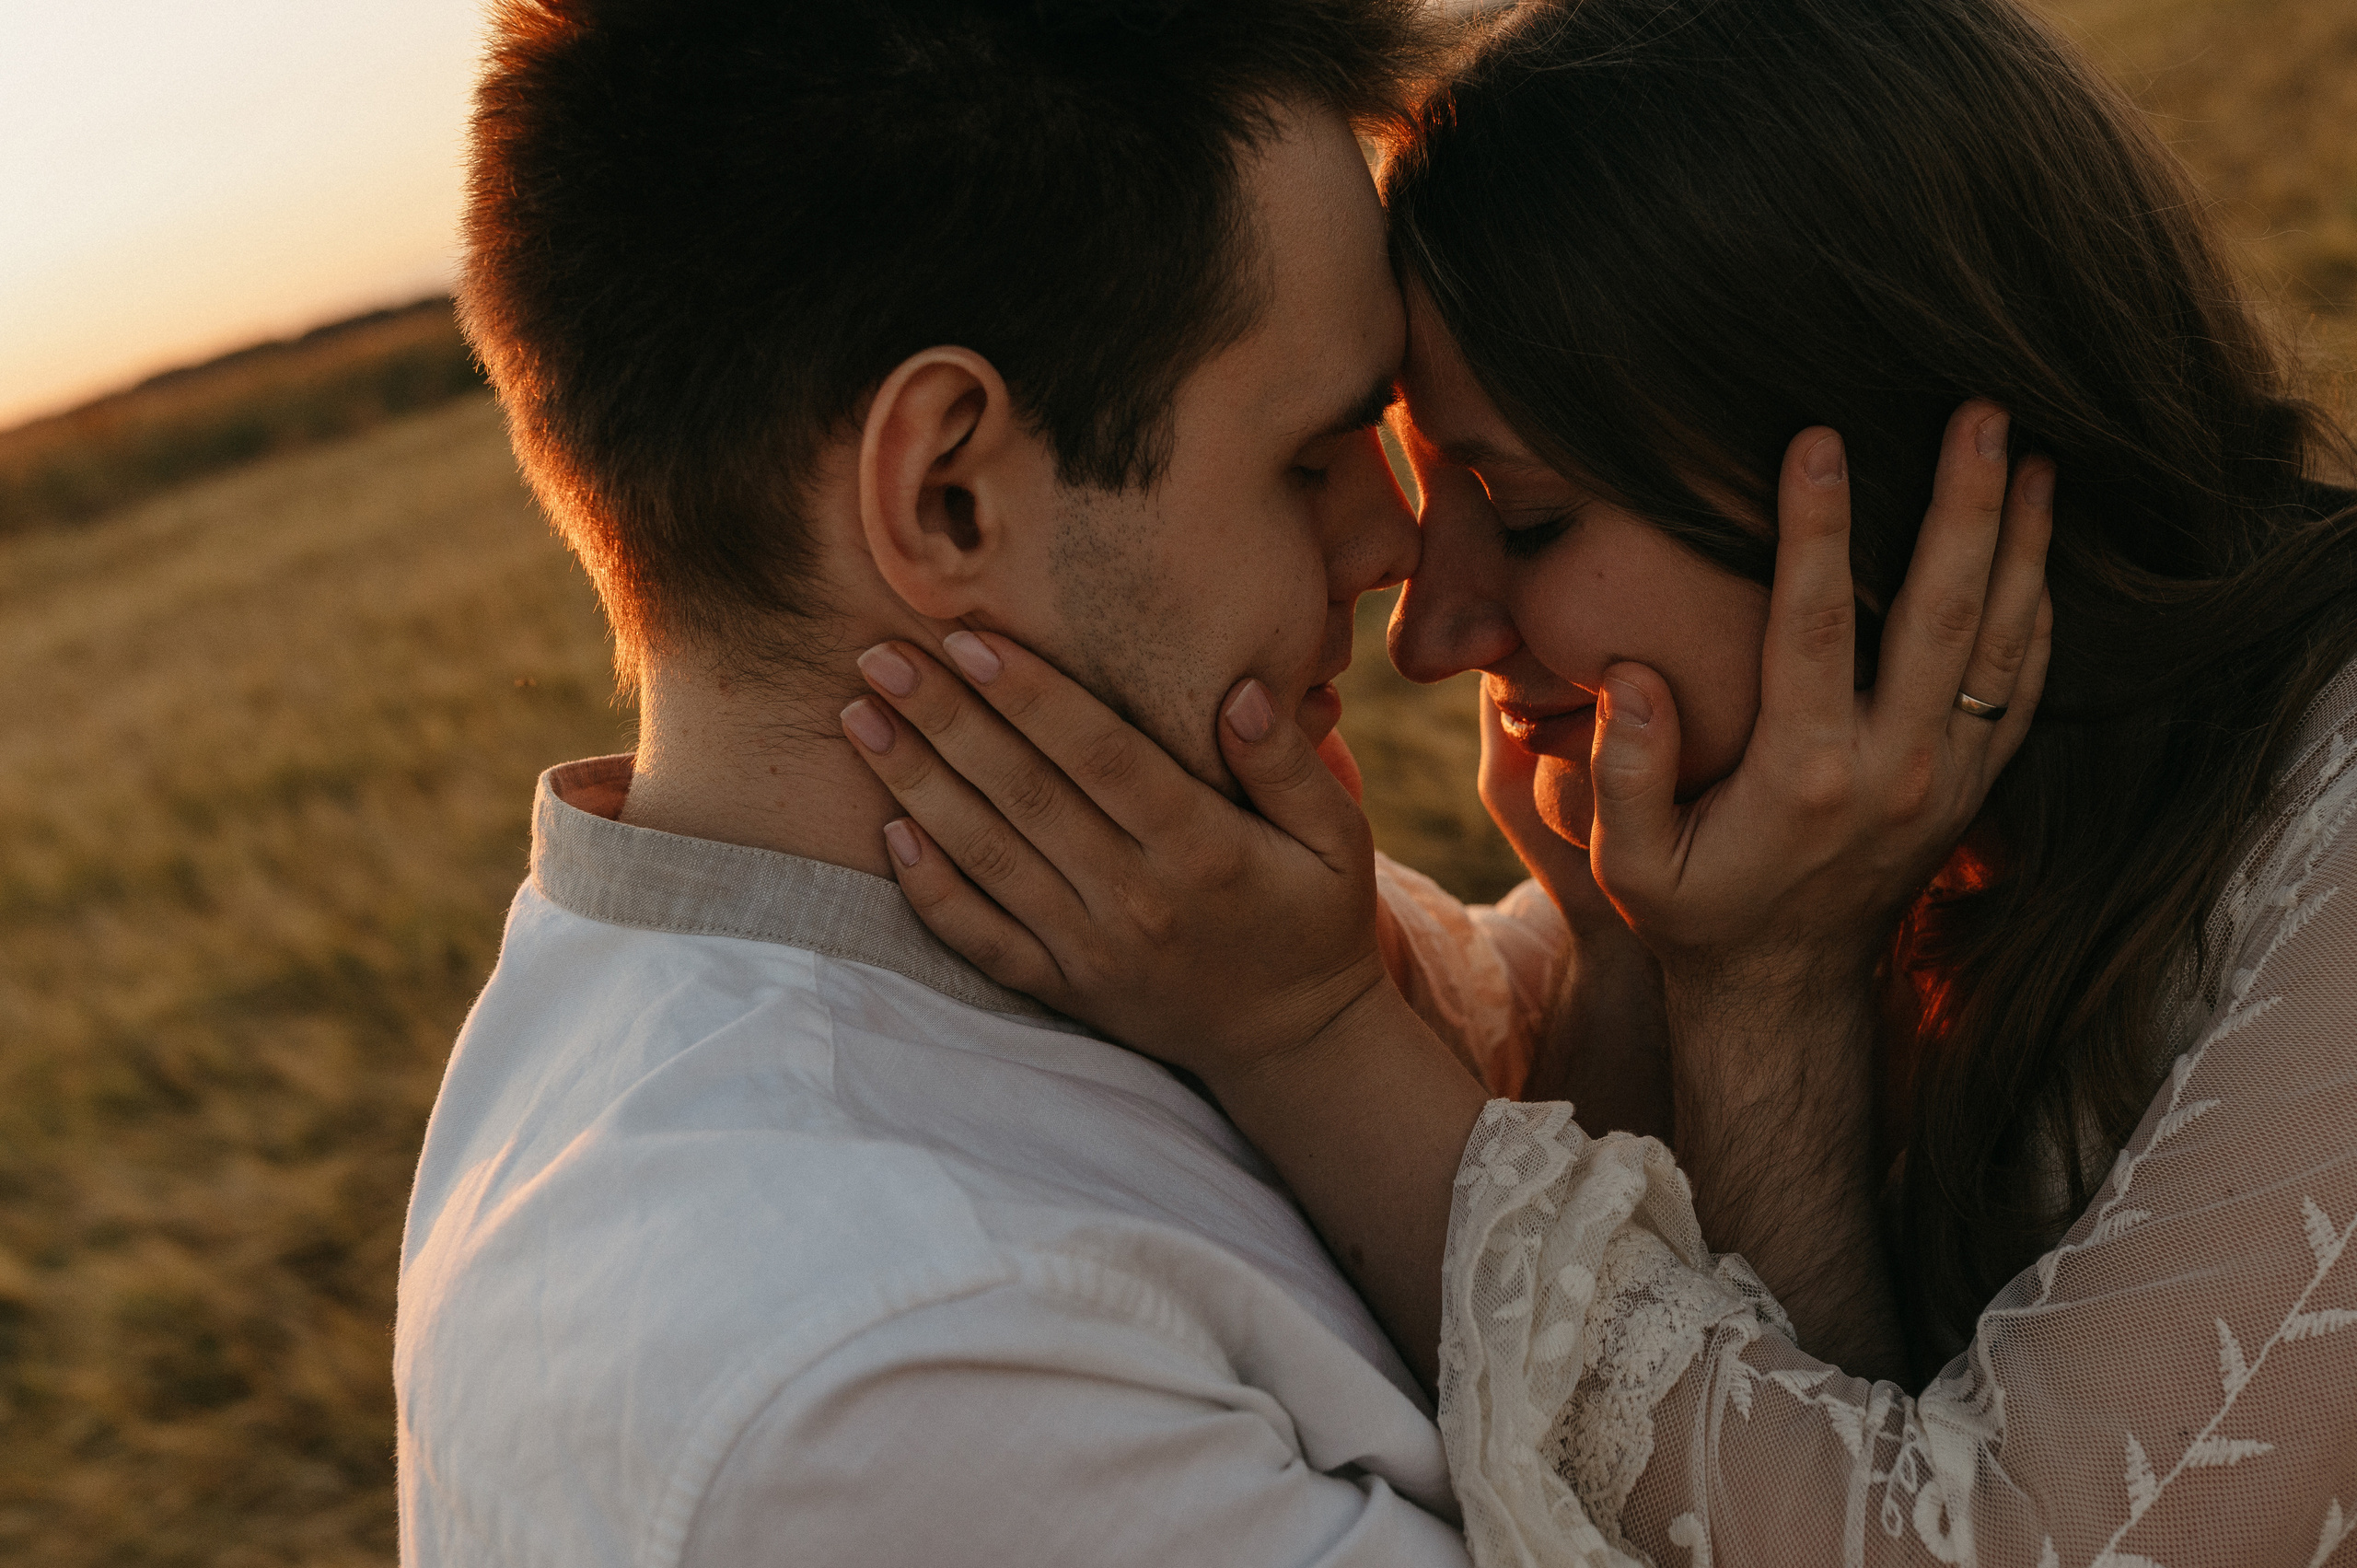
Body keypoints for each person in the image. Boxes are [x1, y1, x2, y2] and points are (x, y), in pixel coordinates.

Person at [841, 0, 2357, 1563]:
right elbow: (1780, 1433)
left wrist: (1304, 1038)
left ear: (1893, 477)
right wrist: (1669, 969)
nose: (1430, 632)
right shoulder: (1847, 848)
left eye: (1527, 516)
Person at [396, 3, 1550, 1562]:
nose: (1396, 541)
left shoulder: (1109, 887)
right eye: (1309, 459)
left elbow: (1506, 1078)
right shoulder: (880, 1371)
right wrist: (1772, 1005)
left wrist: (1683, 922)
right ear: (947, 496)